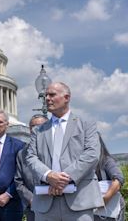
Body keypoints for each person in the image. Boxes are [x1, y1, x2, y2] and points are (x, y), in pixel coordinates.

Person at [26, 82, 104, 220]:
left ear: (67, 97)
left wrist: (62, 179)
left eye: (52, 95)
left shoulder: (86, 124)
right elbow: (31, 157)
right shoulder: (38, 130)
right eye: (45, 95)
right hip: (46, 203)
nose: (47, 99)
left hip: (79, 201)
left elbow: (91, 154)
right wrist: (48, 175)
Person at [15, 114, 48, 221]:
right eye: (32, 127)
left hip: (55, 205)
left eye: (39, 126)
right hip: (32, 208)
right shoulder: (22, 154)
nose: (35, 129)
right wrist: (30, 198)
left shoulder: (57, 150)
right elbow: (18, 181)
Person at [94, 133, 125, 221]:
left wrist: (105, 199)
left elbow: (118, 180)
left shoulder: (106, 160)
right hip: (95, 210)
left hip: (110, 211)